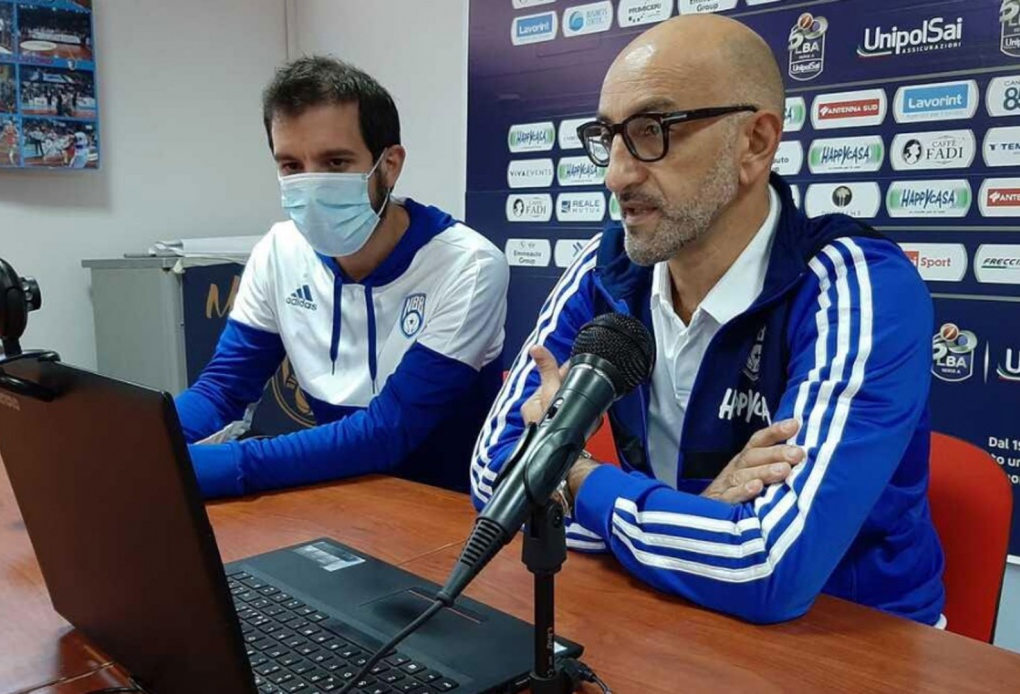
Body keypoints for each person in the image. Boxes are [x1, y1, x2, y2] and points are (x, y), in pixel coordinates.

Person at [471, 15, 945, 627]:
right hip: (673, 605)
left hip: (848, 639)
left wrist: (573, 475)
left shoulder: (856, 284)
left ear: (755, 143)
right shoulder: (605, 267)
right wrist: (705, 517)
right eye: (609, 137)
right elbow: (493, 479)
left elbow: (768, 568)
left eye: (653, 131)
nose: (616, 175)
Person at [176, 56, 509, 499]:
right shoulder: (278, 250)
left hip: (448, 507)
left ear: (389, 165)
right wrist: (150, 443)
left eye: (335, 162)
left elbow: (390, 430)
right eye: (291, 166)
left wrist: (229, 466)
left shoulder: (469, 265)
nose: (311, 185)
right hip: (336, 494)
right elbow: (222, 391)